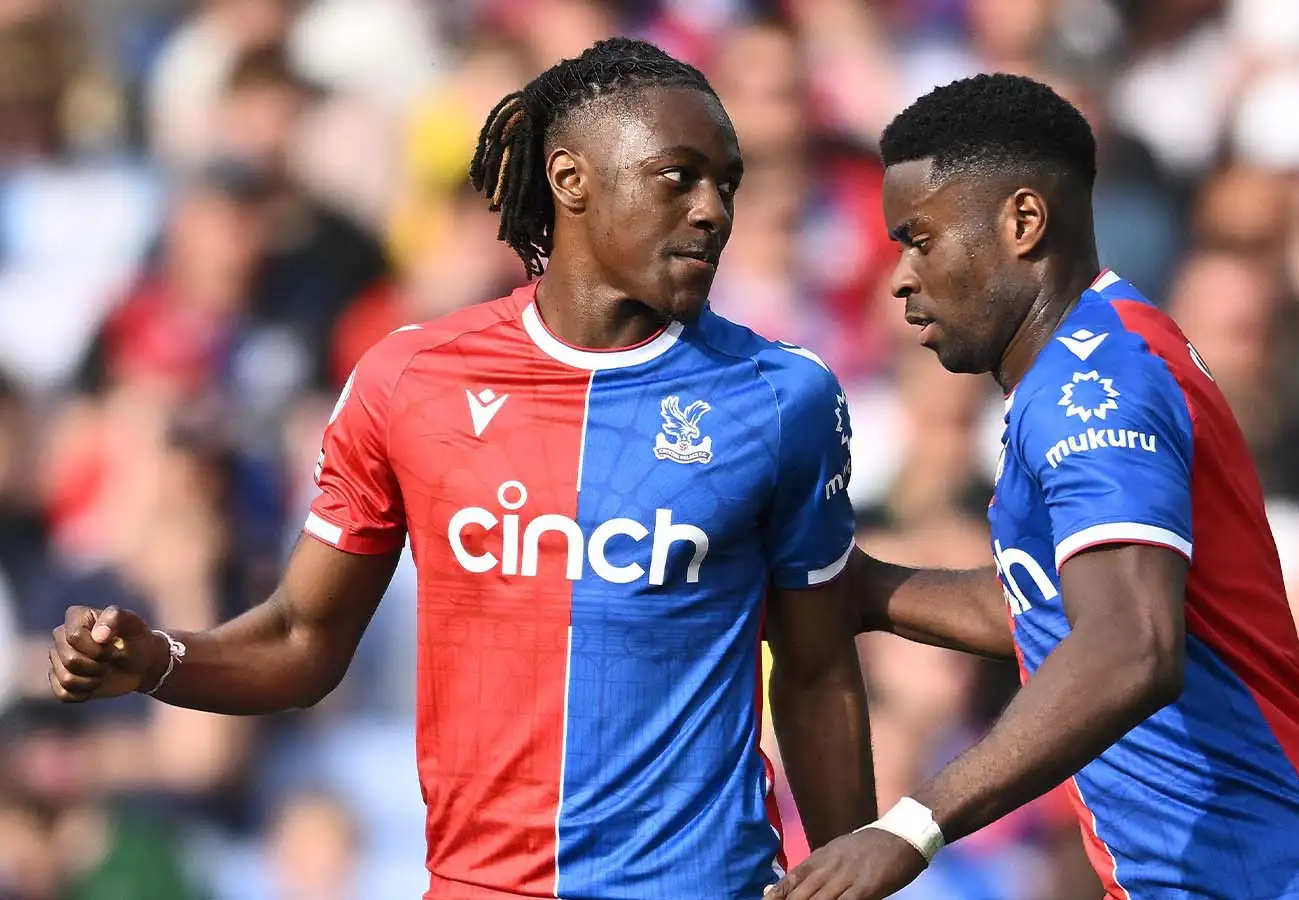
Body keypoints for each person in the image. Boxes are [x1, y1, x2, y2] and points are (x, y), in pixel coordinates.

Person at [47, 38, 875, 900]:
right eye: (680, 176)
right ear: (571, 180)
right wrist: (159, 661)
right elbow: (302, 639)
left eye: (726, 183)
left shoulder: (784, 397)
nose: (713, 210)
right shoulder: (411, 381)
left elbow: (817, 673)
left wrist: (854, 875)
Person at [774, 73, 1299, 900]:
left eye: (920, 239)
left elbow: (1130, 645)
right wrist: (869, 591)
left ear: (1022, 223)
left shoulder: (1094, 386)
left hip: (1295, 876)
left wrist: (911, 827)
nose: (901, 277)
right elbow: (1069, 615)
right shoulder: (1095, 357)